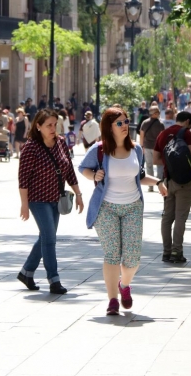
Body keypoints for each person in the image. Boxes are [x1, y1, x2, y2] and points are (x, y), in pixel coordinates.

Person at [78, 108, 160, 314]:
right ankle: (112, 300)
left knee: (133, 258)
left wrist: (158, 182)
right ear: (109, 127)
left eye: (126, 122)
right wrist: (94, 175)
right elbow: (83, 169)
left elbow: (139, 177)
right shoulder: (99, 149)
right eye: (120, 123)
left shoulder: (137, 150)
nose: (125, 126)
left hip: (133, 206)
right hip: (107, 208)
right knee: (112, 255)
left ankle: (124, 285)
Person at [17, 109, 84, 295]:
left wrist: (78, 194)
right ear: (38, 126)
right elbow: (23, 179)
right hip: (38, 200)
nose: (53, 128)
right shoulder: (31, 147)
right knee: (50, 238)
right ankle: (54, 280)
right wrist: (24, 205)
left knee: (46, 237)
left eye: (55, 124)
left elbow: (69, 170)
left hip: (56, 198)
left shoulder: (61, 143)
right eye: (49, 125)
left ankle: (26, 272)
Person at [154, 111, 191, 263]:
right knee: (180, 217)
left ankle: (166, 252)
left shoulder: (162, 134)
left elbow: (155, 159)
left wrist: (170, 163)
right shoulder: (186, 133)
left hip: (168, 180)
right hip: (184, 181)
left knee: (167, 217)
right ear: (188, 121)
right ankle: (177, 252)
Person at [139, 106, 165, 192]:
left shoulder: (145, 123)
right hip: (157, 148)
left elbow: (142, 135)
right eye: (157, 113)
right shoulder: (160, 124)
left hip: (147, 146)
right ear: (155, 113)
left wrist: (141, 146)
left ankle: (151, 186)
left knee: (149, 166)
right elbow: (162, 136)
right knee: (159, 166)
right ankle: (159, 184)